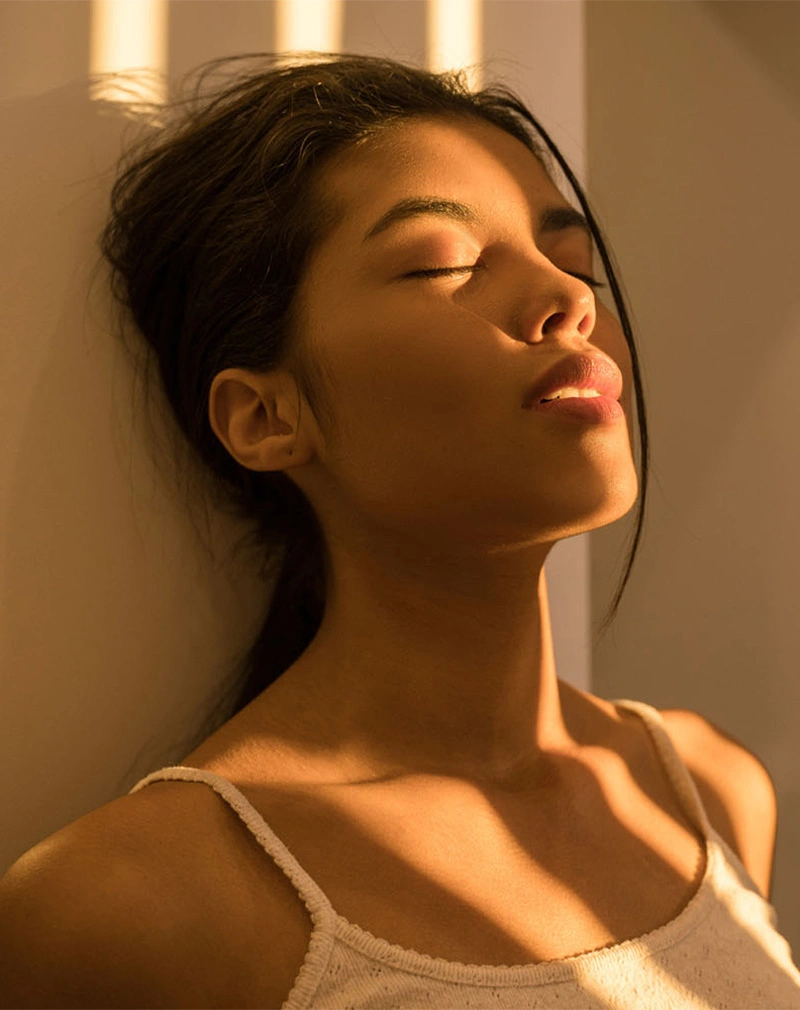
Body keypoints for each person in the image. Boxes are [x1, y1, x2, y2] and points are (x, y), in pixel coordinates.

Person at [1, 52, 799, 1010]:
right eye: (441, 263)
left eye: (573, 260)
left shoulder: (708, 792)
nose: (570, 299)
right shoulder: (138, 905)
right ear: (266, 418)